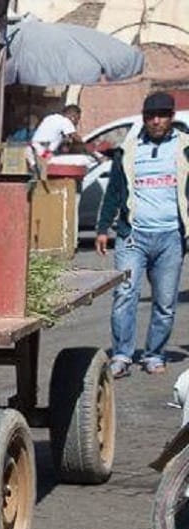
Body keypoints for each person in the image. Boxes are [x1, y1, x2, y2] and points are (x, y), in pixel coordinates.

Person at [95, 91, 189, 378]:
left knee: (165, 301)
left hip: (171, 237)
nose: (156, 121)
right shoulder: (129, 150)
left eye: (161, 115)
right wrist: (101, 228)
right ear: (144, 118)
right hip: (132, 236)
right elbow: (114, 191)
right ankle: (122, 355)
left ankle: (153, 354)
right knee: (125, 294)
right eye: (150, 116)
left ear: (171, 117)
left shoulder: (186, 148)